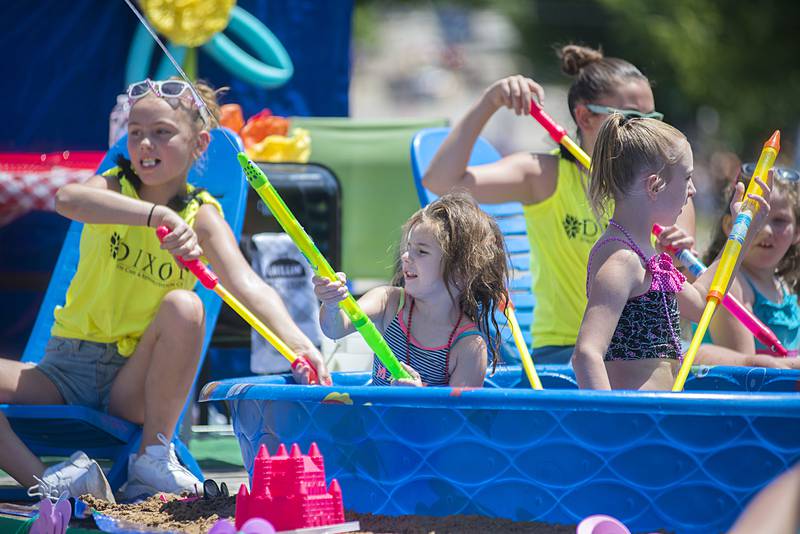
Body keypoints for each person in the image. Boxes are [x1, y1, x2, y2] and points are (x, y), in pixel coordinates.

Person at [0, 78, 330, 500]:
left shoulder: (203, 216)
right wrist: (155, 214)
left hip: (134, 383)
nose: (145, 144)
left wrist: (300, 345)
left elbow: (247, 283)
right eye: (135, 133)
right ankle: (52, 488)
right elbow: (68, 199)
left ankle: (151, 456)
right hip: (62, 371)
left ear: (199, 143)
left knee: (186, 305)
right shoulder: (111, 186)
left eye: (161, 132)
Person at [422, 45, 696, 364]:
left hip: (646, 351)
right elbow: (440, 181)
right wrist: (491, 101)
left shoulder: (670, 190)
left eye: (653, 119)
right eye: (632, 118)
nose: (644, 130)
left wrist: (684, 262)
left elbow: (688, 298)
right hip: (567, 351)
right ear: (584, 116)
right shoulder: (545, 175)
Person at [571, 115, 770, 390]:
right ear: (654, 186)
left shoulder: (646, 256)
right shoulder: (623, 261)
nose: (693, 190)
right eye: (687, 178)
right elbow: (586, 354)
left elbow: (702, 304)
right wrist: (609, 422)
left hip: (656, 420)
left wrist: (742, 234)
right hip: (632, 424)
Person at [313, 192, 507, 387]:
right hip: (374, 417)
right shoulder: (389, 302)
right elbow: (335, 328)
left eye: (421, 251)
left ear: (461, 271)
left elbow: (456, 416)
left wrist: (418, 398)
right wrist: (331, 304)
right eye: (408, 247)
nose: (406, 256)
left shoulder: (469, 347)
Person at [696, 163, 800, 368]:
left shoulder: (784, 287)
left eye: (780, 220)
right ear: (730, 226)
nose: (767, 230)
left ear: (797, 232)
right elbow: (747, 378)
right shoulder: (732, 285)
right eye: (757, 216)